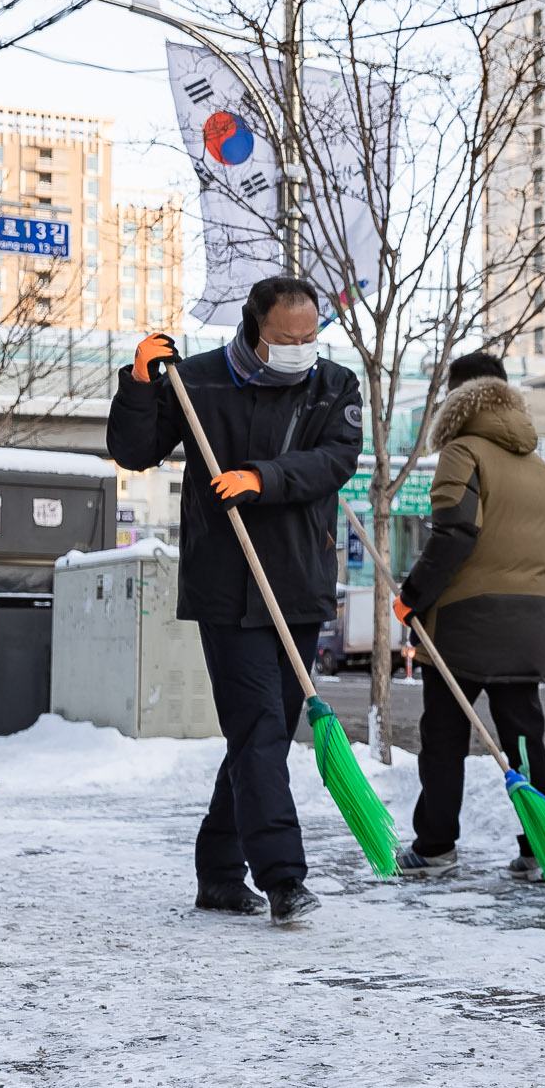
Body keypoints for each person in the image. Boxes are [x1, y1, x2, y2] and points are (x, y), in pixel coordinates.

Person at [107, 275, 365, 925]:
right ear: (255, 331)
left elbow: (336, 461)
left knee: (265, 739)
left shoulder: (334, 386)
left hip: (299, 583)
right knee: (257, 729)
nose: (300, 349)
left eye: (310, 338)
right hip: (227, 585)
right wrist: (139, 385)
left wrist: (261, 479)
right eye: (286, 338)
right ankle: (283, 879)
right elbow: (134, 451)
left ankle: (220, 872)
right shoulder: (200, 380)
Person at [394, 352, 545, 878]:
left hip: (462, 623)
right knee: (525, 740)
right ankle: (542, 849)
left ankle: (436, 845)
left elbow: (456, 534)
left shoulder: (463, 451)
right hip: (527, 620)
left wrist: (413, 595)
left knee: (443, 739)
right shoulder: (538, 466)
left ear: (457, 398)